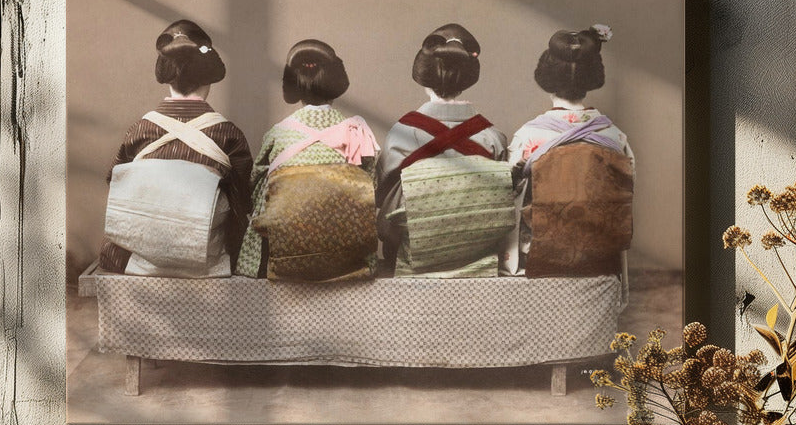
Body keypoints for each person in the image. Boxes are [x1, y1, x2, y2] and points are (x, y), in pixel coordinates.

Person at [98, 19, 252, 276]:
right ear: (209, 78)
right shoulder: (228, 134)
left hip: (139, 257)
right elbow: (244, 198)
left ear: (166, 75)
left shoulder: (139, 130)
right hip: (207, 258)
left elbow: (113, 181)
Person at [375, 23, 513, 277]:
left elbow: (387, 215)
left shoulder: (401, 135)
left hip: (414, 265)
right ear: (467, 80)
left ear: (423, 78)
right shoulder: (494, 139)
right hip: (482, 270)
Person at [236, 39, 380, 280]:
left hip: (285, 252)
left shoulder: (278, 133)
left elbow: (256, 187)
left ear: (294, 87)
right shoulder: (356, 132)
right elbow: (372, 190)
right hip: (346, 255)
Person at [505, 24, 634, 276]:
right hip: (599, 259)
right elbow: (625, 193)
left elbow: (509, 195)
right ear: (592, 78)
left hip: (540, 257)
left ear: (546, 78)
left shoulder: (529, 136)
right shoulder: (615, 137)